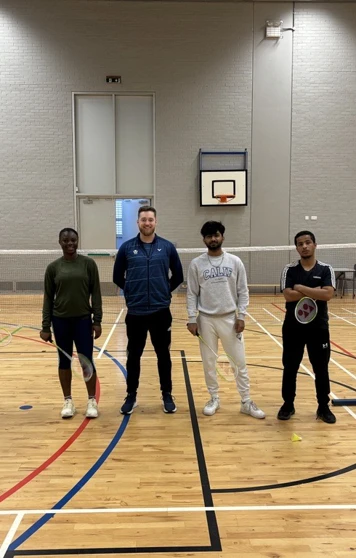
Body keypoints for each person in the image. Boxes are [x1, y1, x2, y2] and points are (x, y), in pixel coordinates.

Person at [186, 221, 265, 419]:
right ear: (203, 239)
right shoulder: (196, 264)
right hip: (206, 320)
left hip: (231, 319)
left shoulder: (235, 262)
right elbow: (191, 293)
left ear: (222, 236)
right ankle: (214, 398)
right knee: (209, 363)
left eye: (216, 235)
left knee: (239, 362)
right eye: (209, 236)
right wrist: (191, 318)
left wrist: (242, 316)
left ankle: (246, 401)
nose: (213, 239)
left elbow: (243, 291)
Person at [113, 205, 184, 415]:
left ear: (156, 222)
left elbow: (178, 276)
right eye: (143, 219)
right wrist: (133, 293)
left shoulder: (167, 247)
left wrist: (163, 292)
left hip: (161, 312)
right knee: (133, 356)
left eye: (150, 220)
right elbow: (118, 278)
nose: (147, 223)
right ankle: (131, 396)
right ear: (138, 222)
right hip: (135, 313)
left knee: (164, 355)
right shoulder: (126, 248)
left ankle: (167, 395)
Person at [40, 228, 102, 419]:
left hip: (83, 321)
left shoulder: (88, 264)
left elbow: (96, 294)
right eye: (65, 240)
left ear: (77, 241)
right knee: (64, 361)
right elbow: (48, 298)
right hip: (60, 322)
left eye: (73, 240)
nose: (70, 243)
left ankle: (92, 401)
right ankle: (68, 401)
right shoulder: (53, 268)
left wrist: (97, 320)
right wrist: (45, 326)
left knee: (86, 361)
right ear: (60, 242)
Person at [278, 230, 336, 423]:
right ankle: (288, 404)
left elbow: (328, 295)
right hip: (293, 328)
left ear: (314, 245)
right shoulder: (290, 269)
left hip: (318, 328)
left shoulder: (325, 269)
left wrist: (301, 288)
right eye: (300, 243)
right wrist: (315, 292)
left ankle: (323, 406)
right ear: (296, 248)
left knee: (321, 368)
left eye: (308, 242)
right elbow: (288, 295)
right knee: (290, 366)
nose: (304, 246)